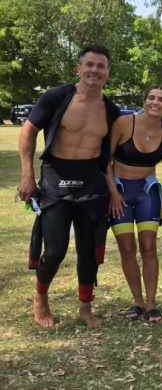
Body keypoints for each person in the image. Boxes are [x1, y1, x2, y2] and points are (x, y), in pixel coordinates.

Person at [18, 43, 120, 327]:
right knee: (55, 249)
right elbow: (28, 133)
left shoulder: (111, 110)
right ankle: (41, 299)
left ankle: (85, 307)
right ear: (79, 68)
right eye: (89, 64)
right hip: (55, 178)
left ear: (107, 73)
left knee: (89, 249)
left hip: (90, 181)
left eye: (100, 66)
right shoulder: (57, 96)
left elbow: (137, 133)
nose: (94, 70)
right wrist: (27, 176)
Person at [105, 86, 162, 324]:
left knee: (149, 248)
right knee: (127, 249)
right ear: (145, 101)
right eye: (151, 98)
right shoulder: (124, 124)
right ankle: (137, 300)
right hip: (120, 192)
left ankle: (151, 303)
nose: (155, 102)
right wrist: (113, 192)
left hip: (148, 192)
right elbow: (106, 160)